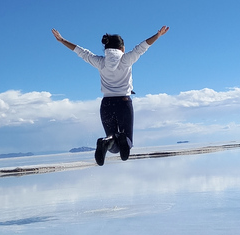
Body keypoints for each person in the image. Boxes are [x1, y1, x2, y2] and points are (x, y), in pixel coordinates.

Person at [52, 26, 169, 166]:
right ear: (122, 48)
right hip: (124, 103)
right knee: (127, 143)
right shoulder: (126, 60)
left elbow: (82, 52)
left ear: (106, 49)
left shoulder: (101, 62)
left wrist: (62, 40)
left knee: (113, 145)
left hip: (106, 104)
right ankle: (119, 138)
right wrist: (157, 36)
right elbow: (141, 47)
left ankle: (105, 142)